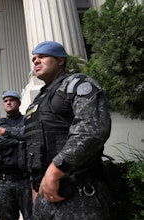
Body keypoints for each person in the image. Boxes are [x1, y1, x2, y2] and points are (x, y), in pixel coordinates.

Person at [24, 41, 112, 219]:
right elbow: (32, 142)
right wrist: (36, 186)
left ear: (60, 60)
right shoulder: (38, 101)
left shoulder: (77, 83)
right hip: (44, 198)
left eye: (42, 56)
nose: (36, 61)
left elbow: (92, 130)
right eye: (34, 59)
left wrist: (55, 170)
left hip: (79, 194)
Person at [0, 91, 32, 220]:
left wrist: (6, 132)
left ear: (19, 103)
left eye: (11, 100)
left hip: (25, 180)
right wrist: (18, 140)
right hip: (3, 181)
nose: (8, 103)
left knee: (31, 216)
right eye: (5, 101)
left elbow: (29, 135)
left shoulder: (27, 121)